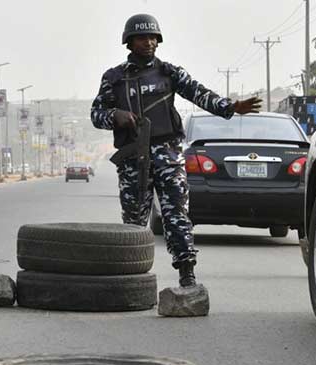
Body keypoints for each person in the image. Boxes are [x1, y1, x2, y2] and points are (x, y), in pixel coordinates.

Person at [91, 14, 261, 288]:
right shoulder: (114, 78)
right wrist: (116, 116)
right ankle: (130, 276)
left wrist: (230, 107)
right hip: (134, 158)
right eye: (142, 38)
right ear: (129, 42)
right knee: (134, 221)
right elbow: (96, 115)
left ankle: (186, 272)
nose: (149, 42)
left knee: (177, 216)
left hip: (168, 154)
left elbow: (199, 94)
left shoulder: (169, 73)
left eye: (153, 38)